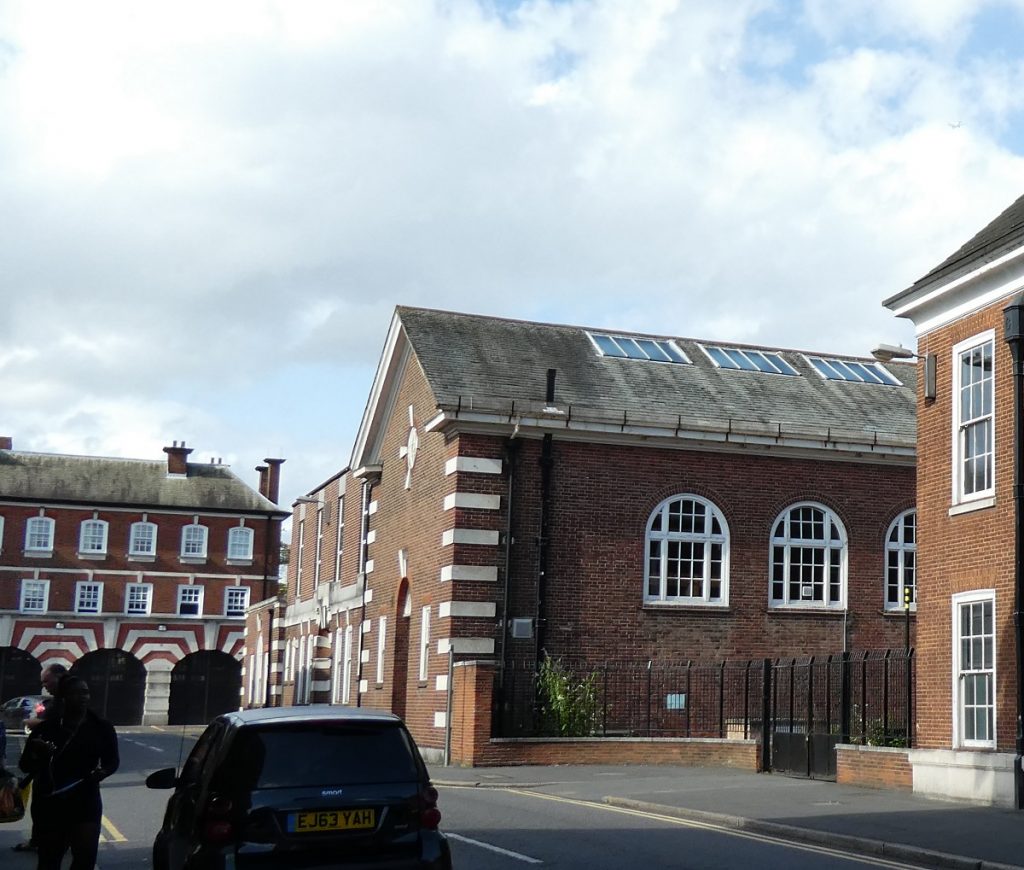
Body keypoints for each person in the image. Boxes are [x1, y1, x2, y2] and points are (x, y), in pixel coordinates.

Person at [19, 677, 119, 870]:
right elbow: (25, 765)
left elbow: (112, 761)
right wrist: (39, 753)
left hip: (85, 797)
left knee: (85, 859)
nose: (82, 697)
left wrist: (103, 772)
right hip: (52, 801)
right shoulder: (47, 728)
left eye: (85, 692)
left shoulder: (101, 726)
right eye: (76, 693)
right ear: (63, 697)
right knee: (49, 859)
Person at [12, 663, 68, 853]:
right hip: (50, 763)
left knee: (43, 806)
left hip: (53, 763)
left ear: (59, 678)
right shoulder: (59, 701)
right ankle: (49, 839)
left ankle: (43, 841)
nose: (44, 686)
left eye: (47, 681)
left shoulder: (63, 703)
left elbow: (51, 723)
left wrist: (31, 722)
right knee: (46, 806)